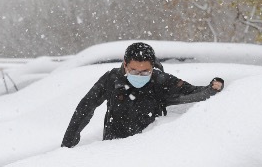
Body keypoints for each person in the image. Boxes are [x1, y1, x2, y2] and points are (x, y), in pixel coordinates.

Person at [61, 42, 224, 148]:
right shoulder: (112, 79)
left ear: (153, 67)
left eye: (145, 71)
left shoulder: (161, 80)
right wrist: (68, 144)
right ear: (125, 64)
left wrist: (212, 87)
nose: (139, 75)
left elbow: (192, 92)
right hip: (111, 150)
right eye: (134, 71)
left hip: (147, 149)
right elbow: (85, 108)